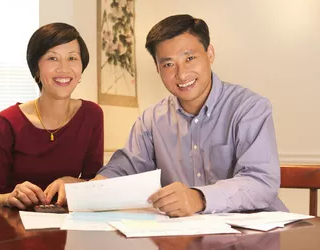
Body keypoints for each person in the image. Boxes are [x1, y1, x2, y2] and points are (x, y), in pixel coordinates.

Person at [95, 14, 287, 217]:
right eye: (168, 64)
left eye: (190, 58)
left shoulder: (249, 108)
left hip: (254, 236)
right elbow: (124, 169)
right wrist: (88, 189)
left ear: (210, 53)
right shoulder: (150, 120)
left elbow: (261, 182)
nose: (181, 74)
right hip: (186, 237)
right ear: (157, 68)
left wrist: (198, 198)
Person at [0, 23, 104, 209]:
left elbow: (96, 183)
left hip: (69, 230)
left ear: (81, 68)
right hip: (14, 229)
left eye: (72, 58)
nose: (64, 68)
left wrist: (74, 182)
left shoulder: (92, 114)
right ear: (36, 68)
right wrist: (9, 198)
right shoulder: (8, 121)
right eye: (53, 58)